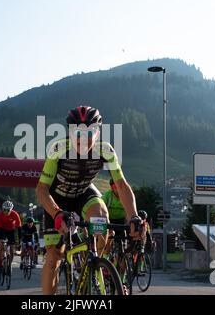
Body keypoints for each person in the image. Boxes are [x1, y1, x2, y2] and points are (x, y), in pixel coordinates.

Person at [36, 105, 144, 295]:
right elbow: (42, 189)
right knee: (54, 257)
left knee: (101, 217)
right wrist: (56, 212)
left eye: (90, 132)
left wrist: (134, 216)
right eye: (77, 132)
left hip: (83, 194)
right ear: (70, 132)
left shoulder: (106, 151)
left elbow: (122, 185)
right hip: (57, 200)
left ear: (98, 132)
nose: (82, 138)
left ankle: (93, 263)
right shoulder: (59, 149)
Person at [0, 200, 22, 274]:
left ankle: (9, 265)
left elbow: (19, 229)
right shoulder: (0, 215)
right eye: (4, 210)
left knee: (12, 249)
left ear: (11, 209)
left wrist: (19, 240)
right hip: (2, 230)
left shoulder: (15, 214)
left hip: (11, 230)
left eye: (8, 210)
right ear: (2, 209)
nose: (6, 212)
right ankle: (0, 265)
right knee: (1, 246)